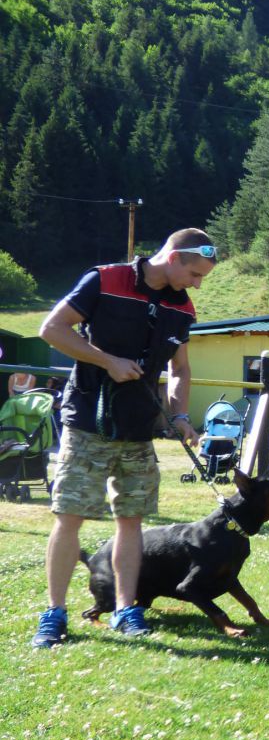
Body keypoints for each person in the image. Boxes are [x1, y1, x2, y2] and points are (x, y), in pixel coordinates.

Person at [31, 229, 215, 648]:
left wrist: (179, 414)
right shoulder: (105, 279)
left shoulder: (182, 306)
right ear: (173, 257)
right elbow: (52, 329)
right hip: (88, 425)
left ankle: (126, 610)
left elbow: (180, 369)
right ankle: (54, 614)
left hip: (138, 431)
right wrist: (107, 361)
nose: (198, 285)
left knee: (131, 521)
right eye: (195, 274)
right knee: (69, 517)